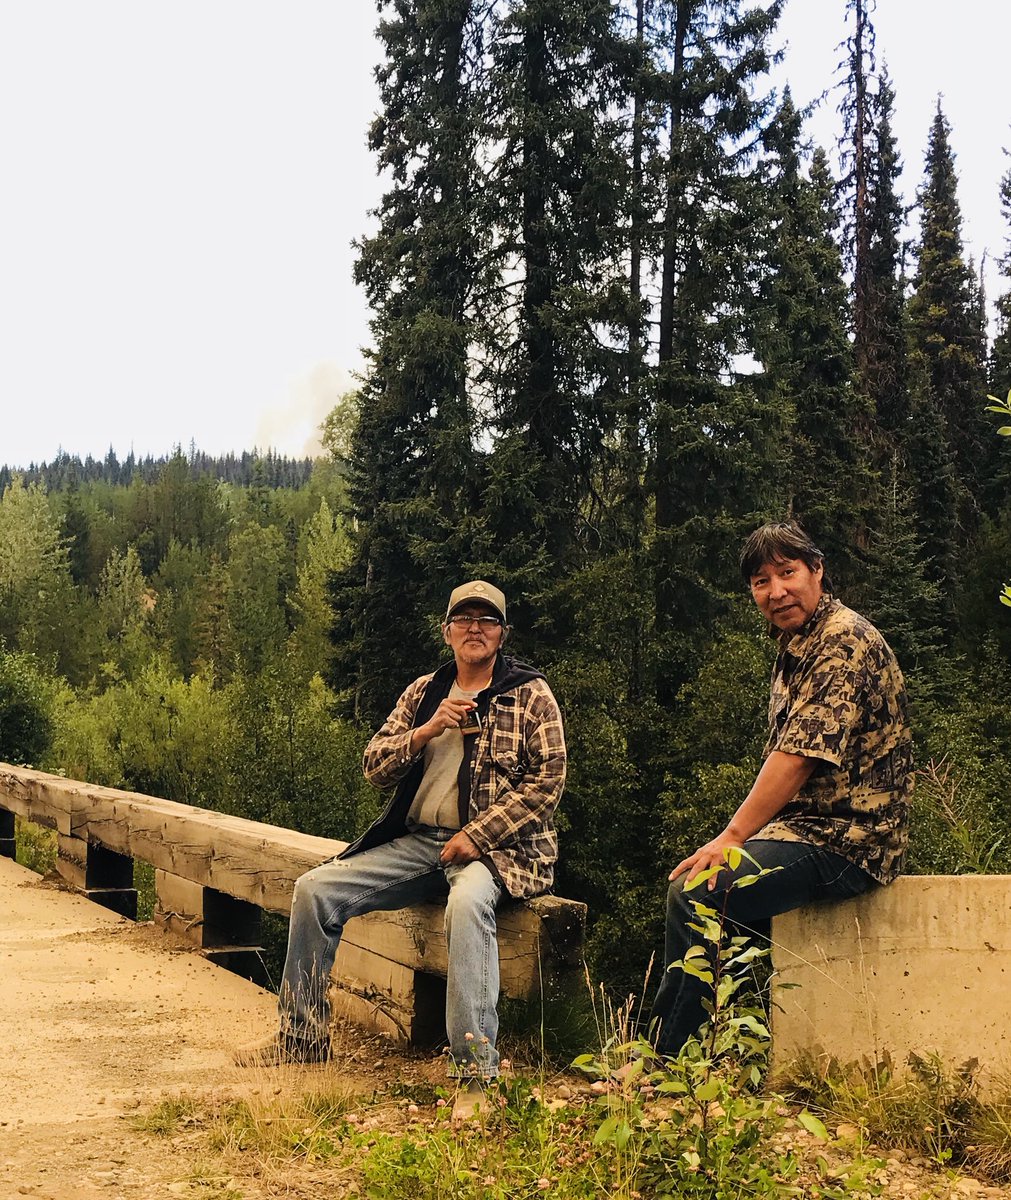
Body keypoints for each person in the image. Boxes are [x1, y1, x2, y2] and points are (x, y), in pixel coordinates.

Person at [238, 580, 566, 1121]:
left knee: (467, 905)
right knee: (314, 890)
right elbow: (373, 766)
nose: (475, 629)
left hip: (499, 851)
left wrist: (477, 837)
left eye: (487, 620)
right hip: (421, 845)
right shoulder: (424, 692)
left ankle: (475, 1076)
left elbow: (546, 786)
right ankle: (301, 1041)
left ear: (502, 633)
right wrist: (425, 731)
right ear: (447, 632)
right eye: (465, 620)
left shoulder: (530, 694)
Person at [649, 521, 913, 1058]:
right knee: (723, 912)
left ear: (818, 571)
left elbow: (797, 758)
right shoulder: (798, 642)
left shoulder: (842, 641)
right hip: (808, 832)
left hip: (849, 840)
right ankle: (737, 1056)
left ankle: (664, 1064)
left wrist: (733, 834)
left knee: (699, 893)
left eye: (788, 573)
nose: (776, 592)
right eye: (760, 581)